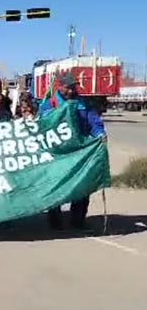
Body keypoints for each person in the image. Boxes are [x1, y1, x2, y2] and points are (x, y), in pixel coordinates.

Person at [39, 72, 106, 230]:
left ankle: (78, 221)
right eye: (68, 87)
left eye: (73, 87)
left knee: (82, 185)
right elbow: (42, 126)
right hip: (58, 153)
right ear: (60, 86)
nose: (71, 90)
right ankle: (55, 222)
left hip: (79, 151)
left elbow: (93, 121)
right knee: (56, 186)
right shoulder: (49, 104)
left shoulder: (82, 103)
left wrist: (100, 134)